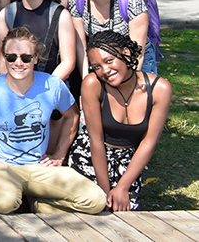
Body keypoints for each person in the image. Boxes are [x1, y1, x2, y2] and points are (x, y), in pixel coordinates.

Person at [0, 28, 106, 214]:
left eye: (26, 57)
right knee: (3, 202)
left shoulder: (52, 85)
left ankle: (41, 205)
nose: (18, 63)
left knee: (96, 200)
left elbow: (72, 115)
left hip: (39, 167)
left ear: (36, 58)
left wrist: (59, 154)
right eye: (11, 57)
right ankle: (20, 203)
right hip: (2, 167)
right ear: (3, 58)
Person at [68, 31, 171, 211]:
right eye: (97, 66)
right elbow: (96, 140)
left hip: (128, 162)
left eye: (109, 61)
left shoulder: (159, 89)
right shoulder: (92, 84)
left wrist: (123, 187)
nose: (105, 71)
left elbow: (148, 143)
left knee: (124, 215)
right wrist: (104, 191)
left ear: (126, 53)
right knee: (94, 207)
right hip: (91, 155)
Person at [69, 0, 150, 76]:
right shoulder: (77, 0)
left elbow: (138, 54)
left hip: (135, 61)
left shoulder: (132, 2)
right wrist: (86, 80)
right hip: (100, 60)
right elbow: (81, 48)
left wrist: (128, 85)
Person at [0, 0, 75, 83]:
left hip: (52, 85)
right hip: (17, 86)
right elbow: (4, 60)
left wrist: (47, 89)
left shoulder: (61, 15)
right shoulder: (6, 14)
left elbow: (68, 62)